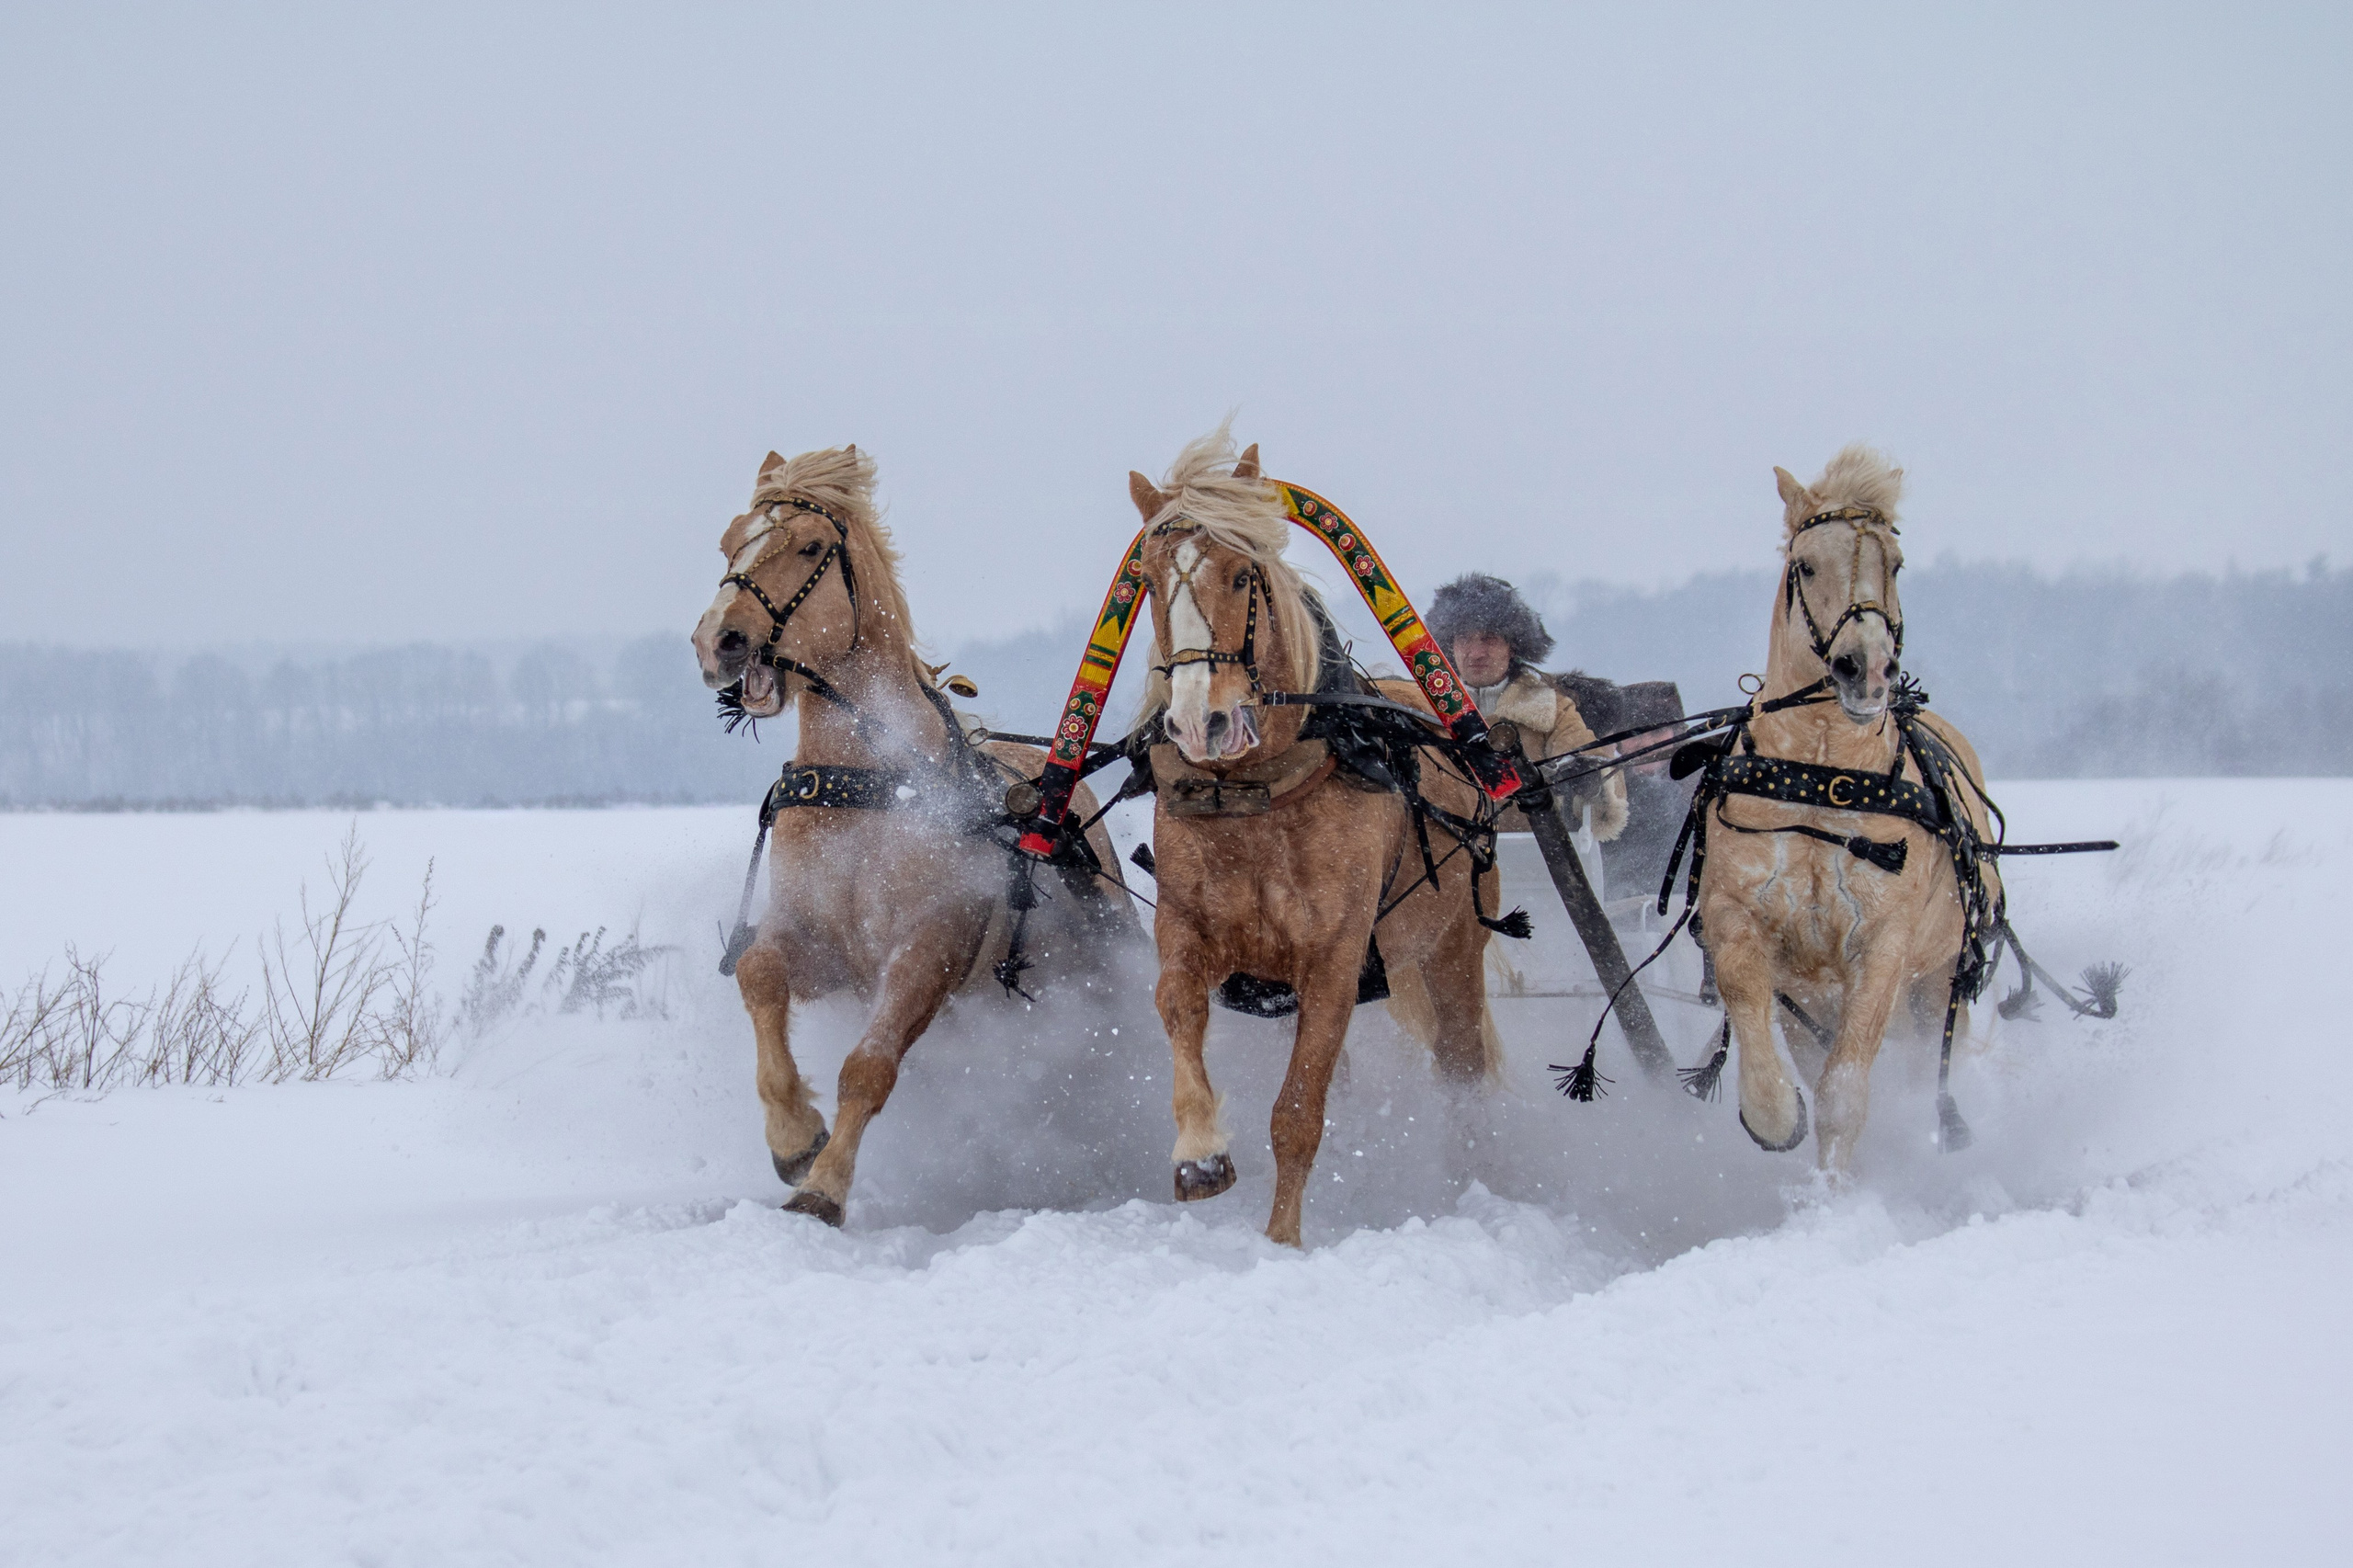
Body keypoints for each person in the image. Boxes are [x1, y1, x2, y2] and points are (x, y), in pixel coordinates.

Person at [1424, 574, 1626, 843]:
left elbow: (1596, 763)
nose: (1475, 652)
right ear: (1450, 645)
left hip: (1532, 861)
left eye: (1489, 638)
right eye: (1464, 639)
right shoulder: (1422, 710)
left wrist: (1588, 777)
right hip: (1440, 864)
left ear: (1513, 647)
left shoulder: (1551, 708)